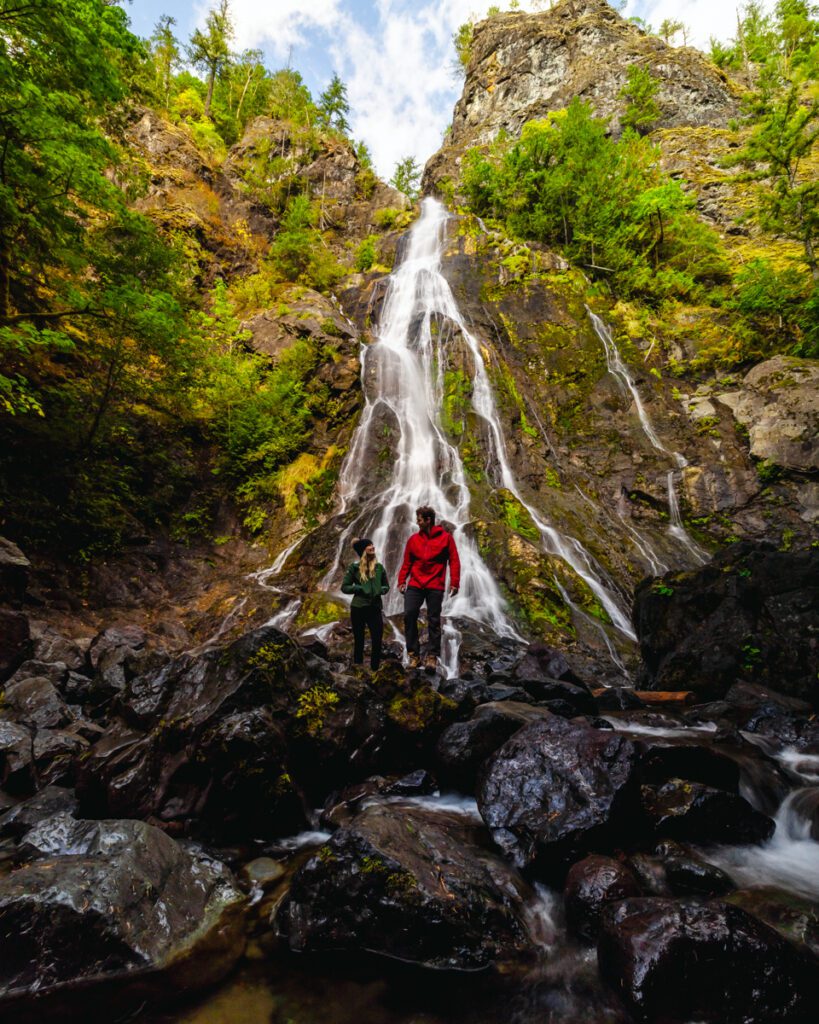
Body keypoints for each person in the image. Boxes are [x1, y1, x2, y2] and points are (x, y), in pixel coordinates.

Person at [398, 505, 460, 670]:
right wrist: (401, 580)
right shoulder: (413, 540)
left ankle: (432, 656)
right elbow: (407, 562)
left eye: (419, 519)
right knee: (409, 615)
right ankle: (414, 656)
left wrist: (455, 582)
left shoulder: (446, 538)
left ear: (428, 520)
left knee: (433, 620)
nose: (417, 522)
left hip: (435, 584)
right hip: (415, 584)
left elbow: (454, 560)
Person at [341, 538, 389, 671]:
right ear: (363, 550)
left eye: (373, 544)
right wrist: (359, 588)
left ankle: (374, 669)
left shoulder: (379, 568)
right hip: (358, 608)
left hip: (375, 608)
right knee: (359, 639)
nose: (372, 547)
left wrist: (382, 590)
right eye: (369, 545)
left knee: (377, 639)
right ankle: (358, 667)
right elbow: (344, 587)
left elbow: (386, 585)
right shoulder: (354, 568)